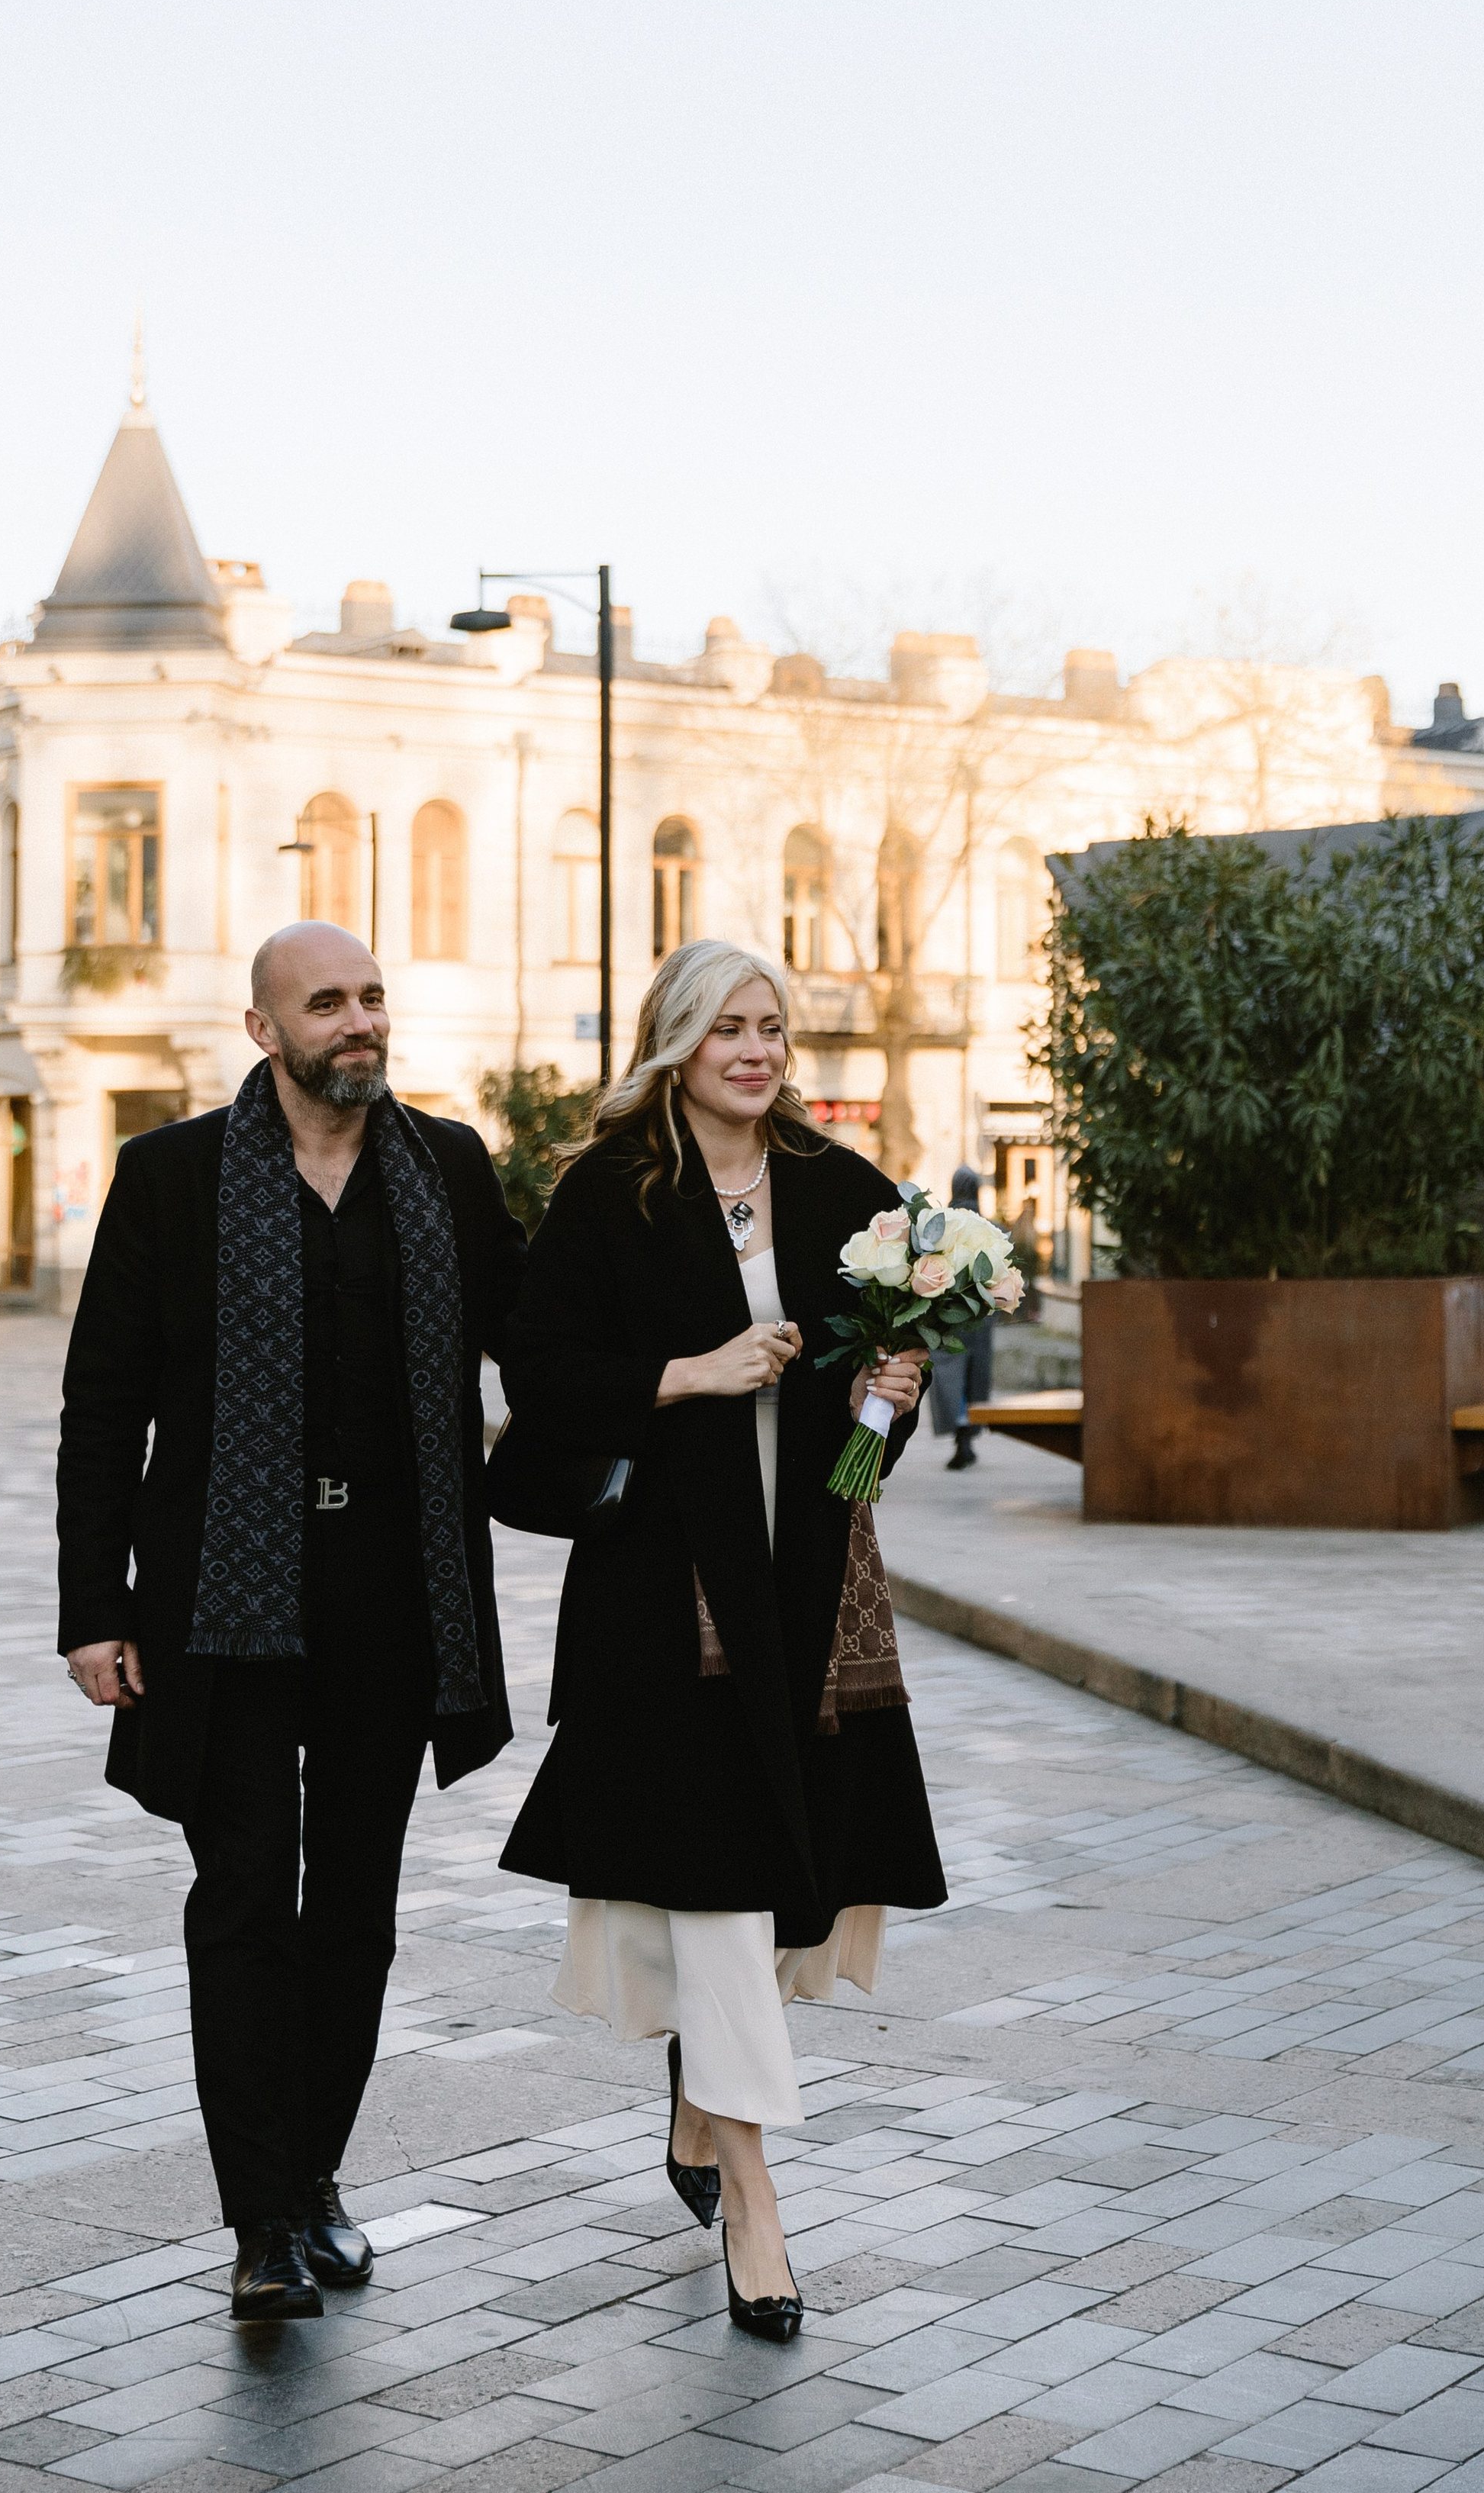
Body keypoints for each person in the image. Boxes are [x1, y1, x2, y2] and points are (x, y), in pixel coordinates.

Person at [56, 923, 525, 2324]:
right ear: (264, 1030)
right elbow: (103, 1406)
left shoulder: (445, 1169)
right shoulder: (172, 1178)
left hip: (396, 1593)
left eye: (374, 996)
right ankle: (261, 2216)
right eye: (327, 1004)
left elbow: (545, 1339)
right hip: (222, 1600)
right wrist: (93, 1610)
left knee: (360, 1908)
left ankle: (316, 2177)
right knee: (248, 1899)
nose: (358, 1022)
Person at [497, 939, 946, 2344]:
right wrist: (688, 1376)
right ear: (673, 1041)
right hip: (663, 1597)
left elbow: (867, 1468)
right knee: (712, 1879)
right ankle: (755, 2198)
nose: (754, 1049)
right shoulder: (610, 1194)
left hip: (814, 1586)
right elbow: (543, 1379)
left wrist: (887, 1399)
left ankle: (702, 2116)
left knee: (776, 1876)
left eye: (771, 1026)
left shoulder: (847, 1194)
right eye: (724, 1027)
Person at [928, 1162, 995, 1468]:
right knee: (973, 1380)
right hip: (980, 1319)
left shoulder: (943, 1226)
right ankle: (967, 1437)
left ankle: (960, 1438)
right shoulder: (991, 1228)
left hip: (948, 1318)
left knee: (950, 1380)